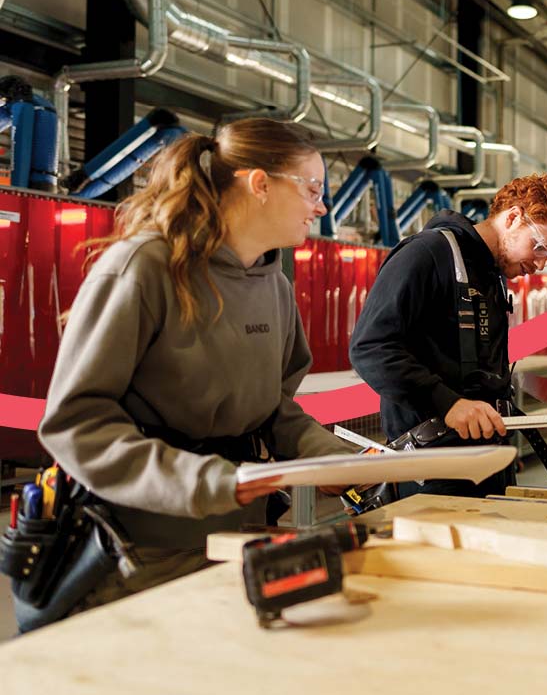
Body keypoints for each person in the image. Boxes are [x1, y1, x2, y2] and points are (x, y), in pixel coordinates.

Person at [26, 118, 356, 630]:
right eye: (312, 187)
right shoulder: (143, 267)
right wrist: (210, 480)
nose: (321, 206)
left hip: (238, 535)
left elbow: (274, 408)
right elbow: (77, 423)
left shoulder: (275, 286)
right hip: (141, 549)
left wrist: (333, 459)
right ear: (259, 184)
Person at [349, 174, 547, 498]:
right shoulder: (427, 254)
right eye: (540, 247)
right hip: (431, 468)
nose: (542, 264)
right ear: (513, 217)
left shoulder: (492, 275)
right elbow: (370, 347)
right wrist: (447, 403)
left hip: (487, 460)